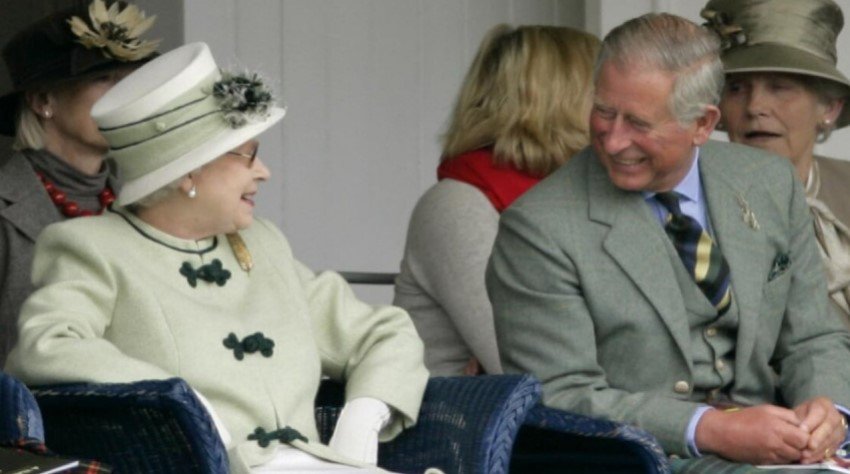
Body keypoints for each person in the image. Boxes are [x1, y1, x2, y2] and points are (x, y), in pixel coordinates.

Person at [5, 42, 429, 474]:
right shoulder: (93, 247)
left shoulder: (265, 244)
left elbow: (384, 333)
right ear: (187, 171)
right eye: (248, 155)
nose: (263, 172)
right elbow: (48, 344)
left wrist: (363, 417)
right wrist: (179, 398)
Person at [486, 12, 850, 470]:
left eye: (639, 123)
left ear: (703, 123)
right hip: (644, 457)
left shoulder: (769, 182)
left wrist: (829, 409)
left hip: (782, 449)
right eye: (604, 111)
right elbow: (559, 395)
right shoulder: (539, 227)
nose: (614, 140)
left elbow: (813, 336)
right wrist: (707, 427)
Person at [393, 24, 600, 376]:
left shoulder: (581, 197)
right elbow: (537, 368)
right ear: (561, 101)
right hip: (471, 428)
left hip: (568, 420)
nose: (618, 113)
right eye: (603, 92)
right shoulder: (459, 205)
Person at [0, 0, 160, 366]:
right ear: (43, 101)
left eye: (128, 79)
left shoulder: (148, 203)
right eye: (103, 79)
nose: (124, 95)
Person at [701, 0, 850, 326]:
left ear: (830, 108)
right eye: (737, 88)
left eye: (780, 87)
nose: (755, 106)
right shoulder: (693, 204)